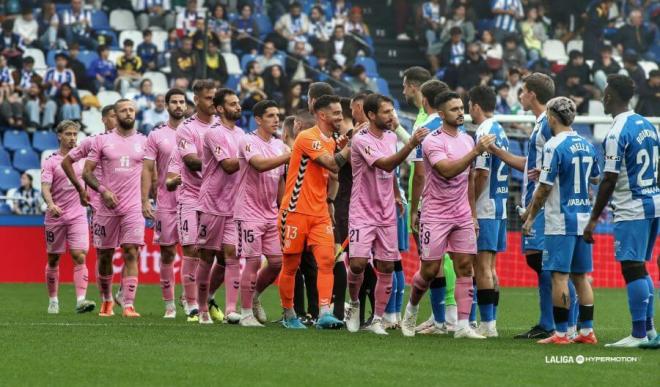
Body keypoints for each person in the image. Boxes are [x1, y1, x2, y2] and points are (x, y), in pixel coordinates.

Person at [401, 91, 495, 339]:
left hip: (461, 214)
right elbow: (446, 171)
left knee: (466, 267)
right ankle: (411, 310)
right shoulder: (433, 141)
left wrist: (473, 215)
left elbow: (469, 180)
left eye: (461, 107)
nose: (460, 112)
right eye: (454, 109)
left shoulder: (467, 139)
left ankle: (463, 326)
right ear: (441, 114)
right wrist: (475, 152)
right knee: (430, 270)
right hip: (435, 215)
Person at [583, 74, 659, 348]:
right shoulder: (648, 126)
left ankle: (638, 334)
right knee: (640, 267)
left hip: (632, 206)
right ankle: (649, 332)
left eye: (605, 92)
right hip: (653, 202)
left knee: (632, 268)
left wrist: (592, 220)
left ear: (611, 96)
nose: (602, 97)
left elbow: (610, 179)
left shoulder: (616, 132)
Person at [344, 94, 428, 335]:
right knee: (358, 263)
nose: (392, 116)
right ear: (371, 115)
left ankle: (378, 319)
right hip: (362, 211)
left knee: (387, 266)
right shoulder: (361, 139)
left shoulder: (391, 137)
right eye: (386, 112)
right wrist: (411, 143)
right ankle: (354, 304)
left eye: (392, 111)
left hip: (386, 211)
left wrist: (396, 195)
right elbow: (386, 164)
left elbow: (389, 173)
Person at [523, 97, 599, 345]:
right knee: (581, 276)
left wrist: (530, 217)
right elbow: (595, 179)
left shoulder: (553, 145)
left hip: (560, 221)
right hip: (583, 218)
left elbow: (543, 189)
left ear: (552, 117)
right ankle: (587, 331)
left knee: (559, 276)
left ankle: (561, 333)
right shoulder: (587, 144)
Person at [278, 94, 350, 329]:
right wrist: (352, 145)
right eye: (336, 113)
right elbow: (332, 163)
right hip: (295, 210)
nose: (340, 116)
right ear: (322, 115)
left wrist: (329, 200)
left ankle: (324, 313)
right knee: (291, 265)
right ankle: (289, 315)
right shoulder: (307, 138)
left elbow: (334, 173)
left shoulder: (332, 140)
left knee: (327, 261)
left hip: (319, 212)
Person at [82, 99, 146, 318]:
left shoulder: (143, 141)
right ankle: (107, 300)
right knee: (105, 256)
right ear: (115, 115)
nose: (128, 113)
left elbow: (151, 174)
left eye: (131, 110)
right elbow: (87, 172)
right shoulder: (101, 141)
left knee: (131, 252)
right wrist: (102, 191)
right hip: (106, 207)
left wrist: (147, 200)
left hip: (133, 207)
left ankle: (128, 304)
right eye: (123, 110)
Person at [234, 100, 291, 327]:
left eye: (277, 115)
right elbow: (258, 165)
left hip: (270, 213)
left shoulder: (279, 145)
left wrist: (284, 209)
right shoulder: (248, 141)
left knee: (277, 262)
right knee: (253, 261)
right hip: (248, 212)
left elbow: (279, 181)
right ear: (258, 119)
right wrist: (288, 156)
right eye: (270, 116)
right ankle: (246, 313)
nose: (276, 119)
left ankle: (254, 296)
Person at [408, 80, 458, 335]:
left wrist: (415, 208)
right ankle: (455, 318)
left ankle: (440, 319)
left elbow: (418, 175)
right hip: (459, 207)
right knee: (461, 262)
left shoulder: (425, 129)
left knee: (433, 263)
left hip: (434, 207)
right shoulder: (460, 131)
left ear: (425, 99)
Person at [195, 88, 245, 324]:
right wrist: (252, 156)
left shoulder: (242, 134)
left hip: (234, 205)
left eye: (238, 103)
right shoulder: (213, 133)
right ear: (220, 108)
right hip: (212, 203)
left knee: (231, 254)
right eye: (233, 104)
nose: (238, 107)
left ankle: (230, 310)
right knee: (206, 256)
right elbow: (228, 165)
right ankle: (202, 308)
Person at [141, 88, 186, 318]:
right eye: (174, 102)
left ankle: (190, 300)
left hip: (193, 201)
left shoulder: (196, 132)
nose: (178, 105)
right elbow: (148, 168)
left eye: (182, 101)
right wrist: (145, 199)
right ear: (166, 105)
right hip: (166, 202)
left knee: (194, 253)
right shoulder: (156, 135)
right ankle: (169, 305)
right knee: (168, 254)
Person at [41, 120, 95, 315]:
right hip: (55, 216)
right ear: (59, 136)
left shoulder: (82, 161)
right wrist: (51, 204)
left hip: (78, 215)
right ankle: (53, 300)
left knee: (80, 255)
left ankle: (81, 300)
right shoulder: (51, 161)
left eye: (75, 134)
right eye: (68, 134)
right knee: (54, 258)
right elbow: (45, 187)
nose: (72, 138)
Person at [175, 80, 218, 321]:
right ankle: (190, 303)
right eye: (208, 98)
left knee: (213, 253)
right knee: (191, 248)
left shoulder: (223, 127)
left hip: (217, 199)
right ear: (197, 100)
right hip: (192, 197)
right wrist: (221, 164)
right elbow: (191, 160)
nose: (213, 102)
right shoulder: (187, 128)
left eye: (214, 97)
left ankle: (205, 298)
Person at [470, 85, 508, 338]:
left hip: (485, 207)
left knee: (481, 267)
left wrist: (469, 202)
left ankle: (487, 324)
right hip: (500, 206)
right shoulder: (500, 129)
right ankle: (490, 321)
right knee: (491, 267)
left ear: (475, 105)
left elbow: (482, 172)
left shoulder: (484, 130)